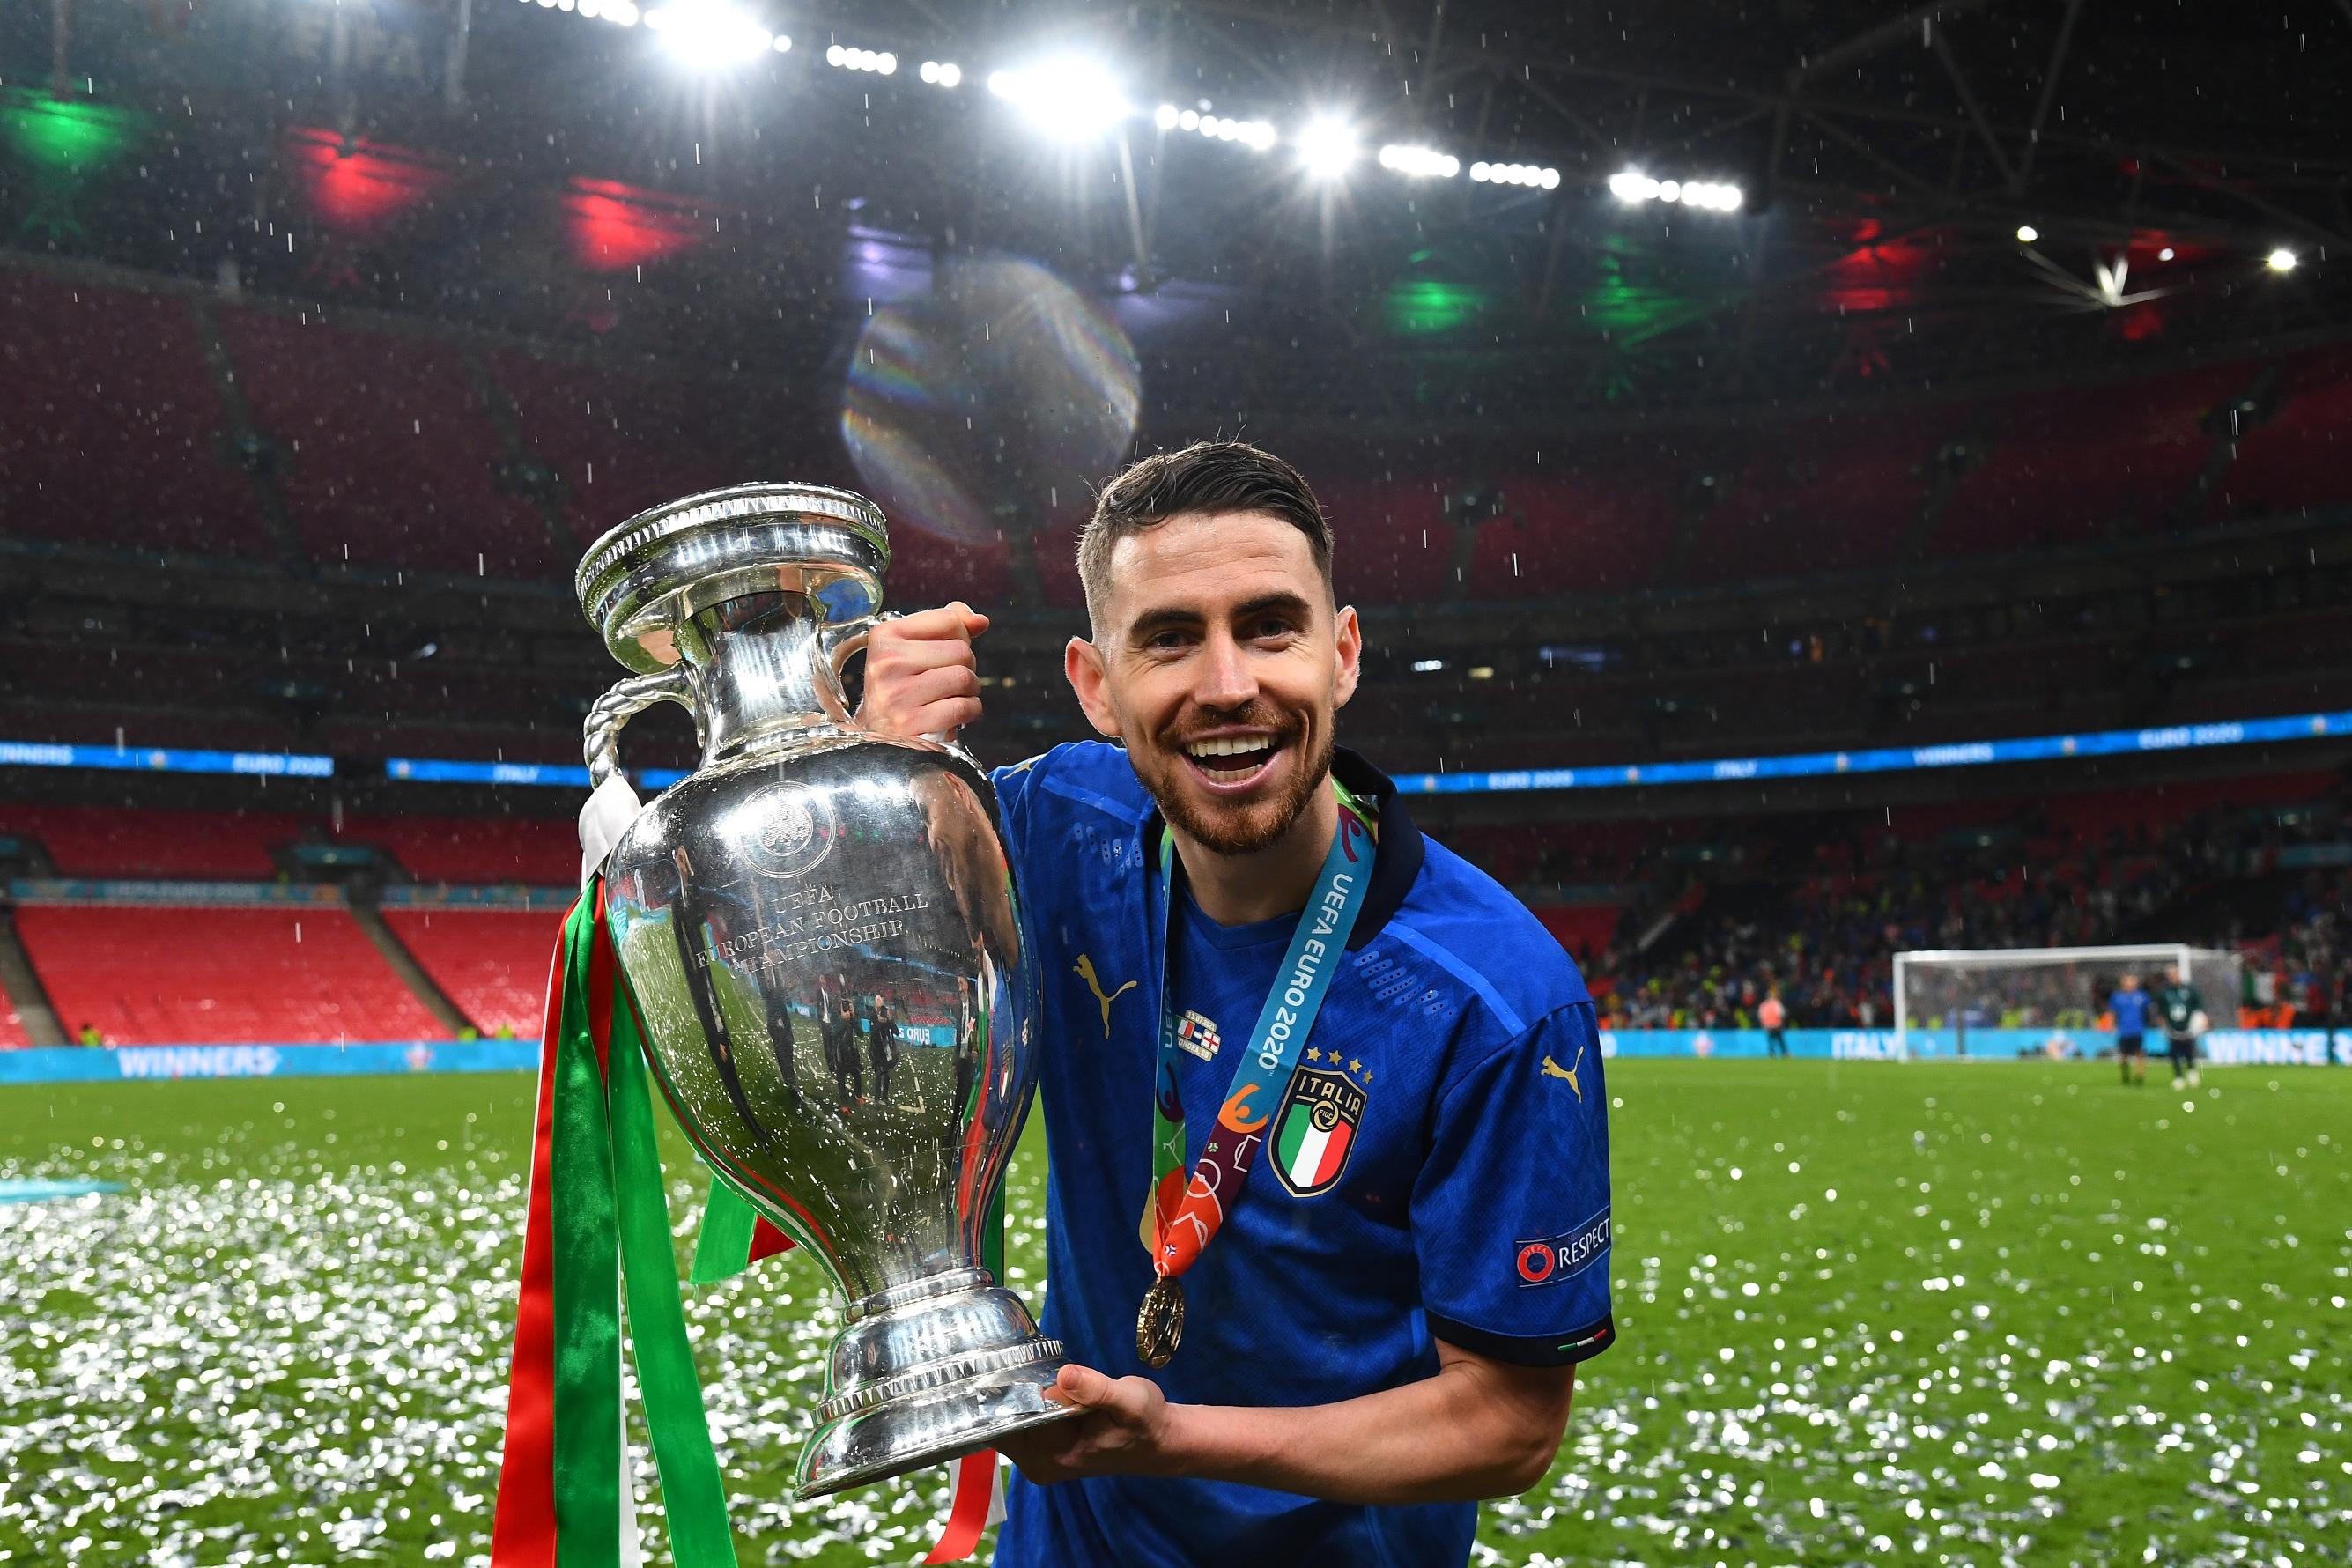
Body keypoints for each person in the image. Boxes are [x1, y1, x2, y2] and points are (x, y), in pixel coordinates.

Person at [857, 440, 1610, 1566]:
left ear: (1341, 653)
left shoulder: (1501, 1006)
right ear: (1095, 685)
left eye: (1269, 627)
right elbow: (841, 982)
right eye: (1169, 637)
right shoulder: (1055, 829)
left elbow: (1509, 1423)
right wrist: (872, 772)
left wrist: (1173, 1441)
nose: (1226, 686)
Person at [2153, 963, 2204, 1089]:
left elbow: (2198, 1006)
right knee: (2174, 1053)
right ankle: (2179, 1077)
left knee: (2189, 1051)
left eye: (2175, 974)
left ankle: (2192, 1072)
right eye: (2170, 975)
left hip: (2188, 1026)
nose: (2173, 977)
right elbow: (2160, 1009)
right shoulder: (2164, 991)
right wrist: (2162, 1023)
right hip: (2172, 1027)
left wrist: (2200, 1021)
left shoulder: (2189, 989)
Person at [2108, 972, 2151, 1086]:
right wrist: (2111, 1025)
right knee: (2124, 1056)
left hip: (2138, 1030)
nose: (2130, 984)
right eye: (2127, 981)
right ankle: (2125, 1074)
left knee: (2140, 1053)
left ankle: (2139, 1076)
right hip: (2124, 1031)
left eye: (2132, 981)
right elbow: (2112, 1012)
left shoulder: (2142, 996)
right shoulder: (2117, 997)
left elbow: (2149, 1010)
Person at [1759, 987, 1787, 1057]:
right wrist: (1782, 1023)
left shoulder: (1763, 1005)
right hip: (1777, 1025)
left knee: (1770, 1040)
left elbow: (1761, 1016)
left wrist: (1763, 1025)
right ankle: (1785, 1053)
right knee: (1780, 1040)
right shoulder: (1776, 1003)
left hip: (1768, 1026)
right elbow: (1782, 1014)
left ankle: (1772, 1053)